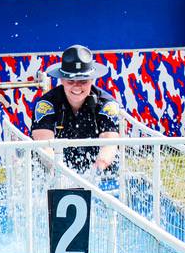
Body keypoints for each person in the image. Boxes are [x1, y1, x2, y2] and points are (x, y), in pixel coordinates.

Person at [31, 44, 121, 174]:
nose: (77, 87)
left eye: (83, 81)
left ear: (92, 79)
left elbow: (110, 143)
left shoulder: (107, 104)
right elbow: (45, 146)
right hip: (54, 173)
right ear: (61, 80)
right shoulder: (46, 104)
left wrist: (95, 172)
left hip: (99, 175)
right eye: (70, 81)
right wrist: (63, 176)